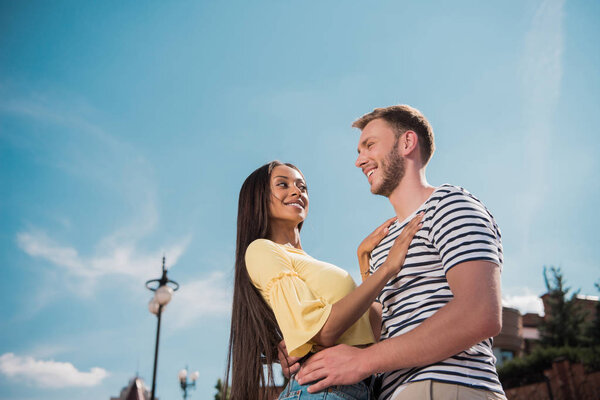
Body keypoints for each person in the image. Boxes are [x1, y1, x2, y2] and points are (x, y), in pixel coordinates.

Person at [293, 105, 506, 400]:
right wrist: (306, 349)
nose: (359, 161)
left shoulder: (450, 204)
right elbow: (378, 336)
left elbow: (480, 313)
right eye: (358, 150)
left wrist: (364, 361)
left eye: (369, 145)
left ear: (406, 143)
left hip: (446, 387)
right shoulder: (383, 244)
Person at [223, 160, 423, 400]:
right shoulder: (263, 250)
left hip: (359, 387)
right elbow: (324, 332)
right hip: (321, 390)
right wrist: (388, 268)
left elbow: (373, 331)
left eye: (302, 186)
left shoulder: (309, 264)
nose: (297, 191)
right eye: (282, 185)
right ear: (258, 198)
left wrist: (365, 264)